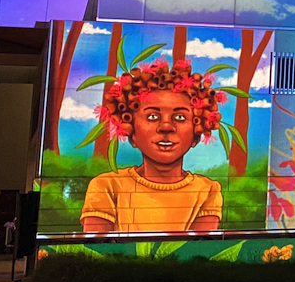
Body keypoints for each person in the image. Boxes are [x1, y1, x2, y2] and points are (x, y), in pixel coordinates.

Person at [81, 57, 224, 233]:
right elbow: (94, 250)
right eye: (152, 117)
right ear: (131, 132)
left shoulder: (207, 190)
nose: (166, 127)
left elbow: (196, 252)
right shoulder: (107, 186)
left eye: (180, 117)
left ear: (196, 133)